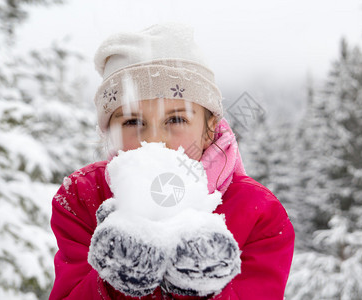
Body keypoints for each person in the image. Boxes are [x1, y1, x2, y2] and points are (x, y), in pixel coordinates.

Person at [50, 22, 294, 300]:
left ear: (209, 128)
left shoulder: (258, 212)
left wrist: (199, 287)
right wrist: (114, 278)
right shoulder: (82, 197)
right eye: (132, 121)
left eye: (176, 119)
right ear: (110, 132)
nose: (154, 139)